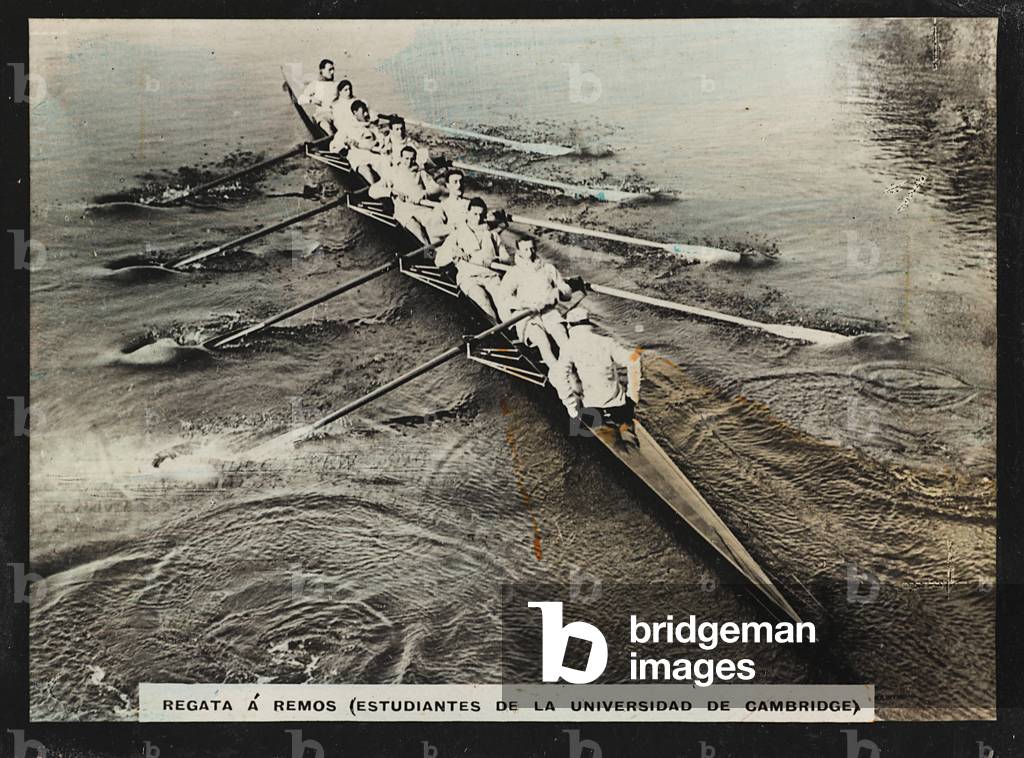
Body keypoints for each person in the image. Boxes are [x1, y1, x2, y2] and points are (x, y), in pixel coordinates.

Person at [495, 238, 574, 366]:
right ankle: (558, 375)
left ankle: (572, 369)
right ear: (519, 252)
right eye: (526, 250)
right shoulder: (514, 272)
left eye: (532, 248)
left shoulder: (548, 268)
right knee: (543, 344)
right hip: (527, 315)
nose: (530, 253)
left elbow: (565, 288)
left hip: (549, 312)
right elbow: (503, 297)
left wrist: (558, 292)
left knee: (563, 339)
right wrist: (524, 304)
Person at [559, 307, 642, 426]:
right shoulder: (607, 342)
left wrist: (571, 407)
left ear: (569, 326)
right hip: (619, 407)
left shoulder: (568, 347)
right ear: (588, 323)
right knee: (628, 437)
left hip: (591, 409)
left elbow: (559, 376)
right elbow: (634, 360)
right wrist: (633, 396)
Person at [434, 198, 511, 320]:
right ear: (468, 213)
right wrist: (453, 253)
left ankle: (512, 330)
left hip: (491, 277)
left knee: (504, 303)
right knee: (483, 302)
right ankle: (495, 329)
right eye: (474, 214)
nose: (477, 218)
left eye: (481, 215)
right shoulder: (457, 234)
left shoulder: (492, 234)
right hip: (469, 278)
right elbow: (438, 260)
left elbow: (507, 259)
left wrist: (497, 260)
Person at [369, 146, 443, 244]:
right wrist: (392, 192)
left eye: (412, 159)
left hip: (422, 208)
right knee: (417, 231)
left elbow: (437, 189)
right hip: (404, 211)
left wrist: (424, 193)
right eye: (406, 159)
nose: (409, 162)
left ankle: (437, 251)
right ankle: (429, 252)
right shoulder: (393, 173)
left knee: (433, 228)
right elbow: (372, 191)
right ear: (401, 158)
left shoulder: (420, 172)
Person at [330, 99, 384, 183]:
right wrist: (344, 146)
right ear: (355, 113)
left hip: (373, 153)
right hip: (357, 155)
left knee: (383, 164)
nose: (366, 114)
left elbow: (380, 139)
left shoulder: (371, 126)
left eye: (366, 111)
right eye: (363, 112)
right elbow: (334, 144)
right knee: (366, 171)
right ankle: (373, 188)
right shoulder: (347, 127)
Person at [426, 169, 470, 241]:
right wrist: (455, 227)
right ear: (448, 185)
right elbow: (435, 230)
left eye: (461, 182)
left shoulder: (470, 203)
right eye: (455, 182)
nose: (459, 185)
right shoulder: (442, 206)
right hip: (455, 241)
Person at [297, 59, 337, 132]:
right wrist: (311, 100)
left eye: (333, 69)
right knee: (328, 130)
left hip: (336, 114)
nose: (332, 72)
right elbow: (300, 99)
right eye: (330, 70)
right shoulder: (315, 84)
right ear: (322, 71)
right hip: (323, 115)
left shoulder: (336, 84)